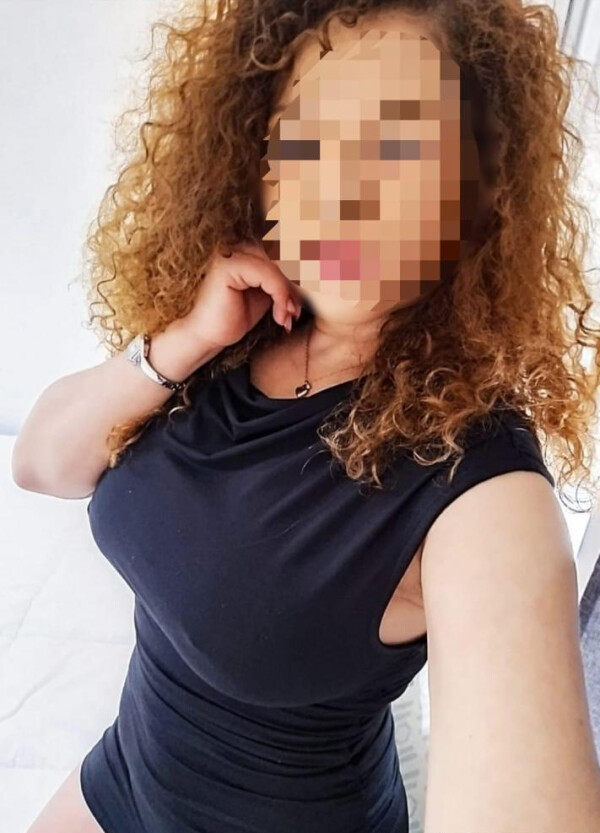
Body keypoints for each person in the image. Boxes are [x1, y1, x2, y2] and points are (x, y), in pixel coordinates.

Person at [14, 1, 600, 832]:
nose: (343, 191)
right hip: (122, 776)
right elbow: (39, 464)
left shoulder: (478, 483)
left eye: (401, 145)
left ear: (483, 187)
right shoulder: (228, 337)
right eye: (305, 138)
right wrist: (181, 341)